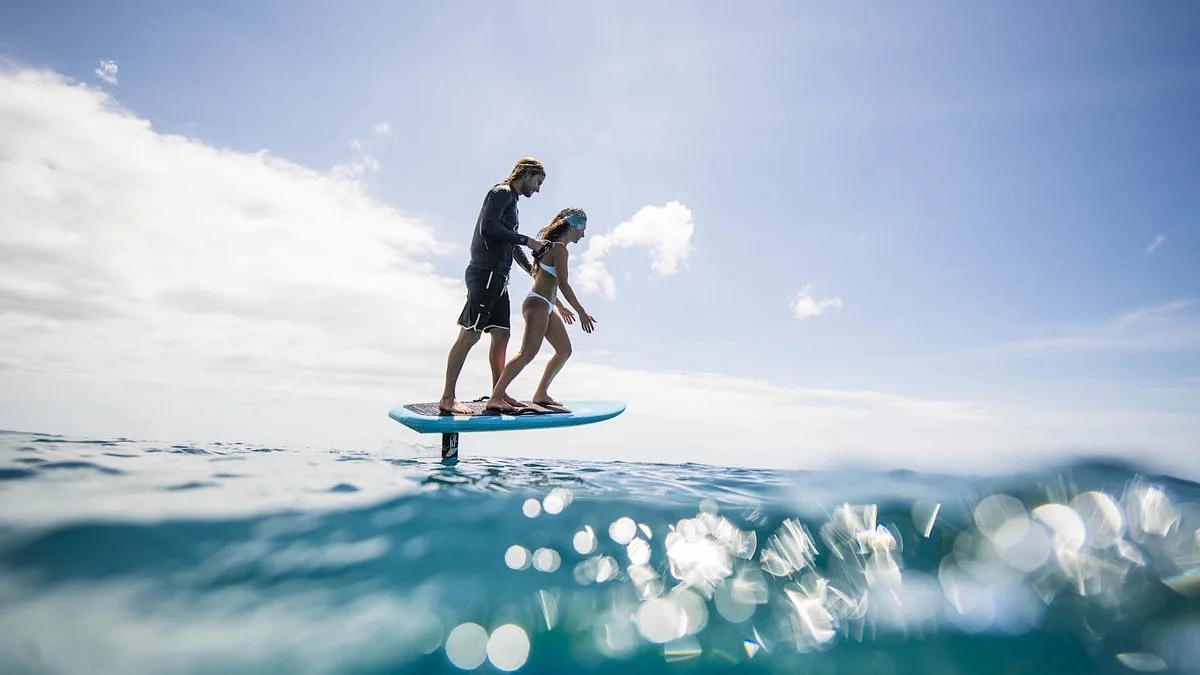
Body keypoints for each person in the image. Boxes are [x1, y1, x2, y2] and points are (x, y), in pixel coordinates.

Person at [439, 157, 552, 415]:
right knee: (471, 333)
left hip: (499, 278)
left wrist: (530, 270)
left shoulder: (512, 201)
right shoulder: (501, 193)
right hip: (485, 274)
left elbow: (508, 243)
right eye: (538, 182)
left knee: (501, 334)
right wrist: (528, 241)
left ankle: (497, 395)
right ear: (527, 173)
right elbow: (488, 228)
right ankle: (447, 397)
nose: (537, 189)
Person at [486, 207, 596, 413]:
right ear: (573, 226)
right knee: (527, 353)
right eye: (583, 228)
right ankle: (496, 397)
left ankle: (541, 393)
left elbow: (547, 280)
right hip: (537, 303)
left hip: (545, 303)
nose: (583, 234)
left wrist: (560, 306)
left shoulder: (553, 248)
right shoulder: (559, 249)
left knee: (564, 350)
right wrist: (581, 312)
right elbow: (563, 283)